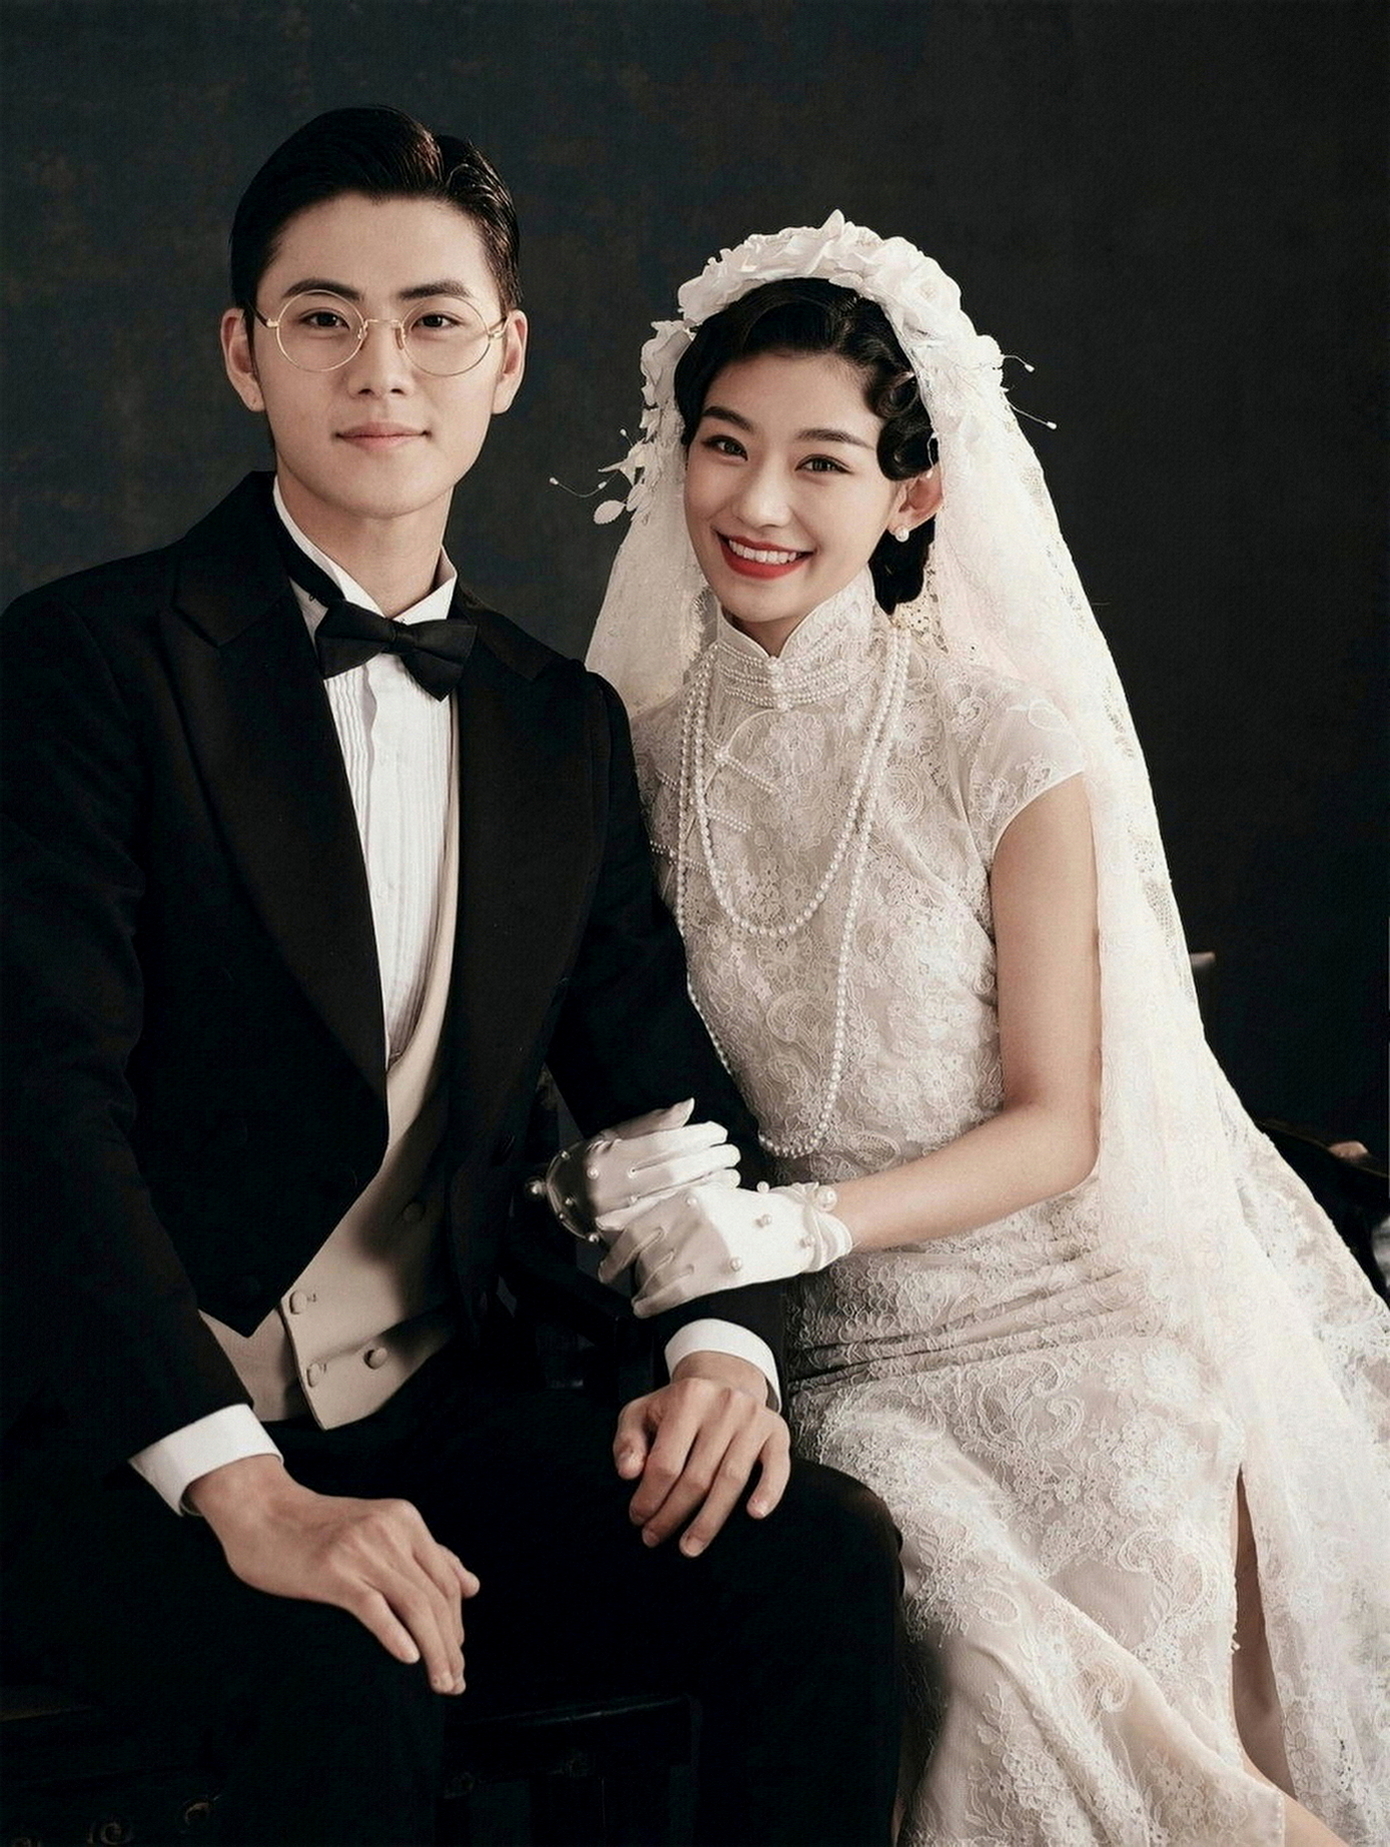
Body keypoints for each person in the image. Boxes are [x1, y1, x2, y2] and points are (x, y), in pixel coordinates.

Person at [0, 122, 908, 1847]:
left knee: (815, 1558)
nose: (381, 369)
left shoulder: (556, 724)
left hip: (423, 1409)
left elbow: (654, 1082)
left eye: (430, 319)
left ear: (506, 356)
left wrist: (717, 1345)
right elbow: (39, 1111)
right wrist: (241, 1485)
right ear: (242, 353)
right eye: (322, 318)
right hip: (109, 1438)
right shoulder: (80, 661)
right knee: (345, 1672)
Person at [582, 217, 1390, 1846]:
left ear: (912, 496)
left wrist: (806, 1215)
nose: (756, 502)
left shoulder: (1001, 743)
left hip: (1074, 1323)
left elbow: (1058, 1122)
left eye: (821, 462)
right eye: (724, 446)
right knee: (978, 1670)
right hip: (833, 1361)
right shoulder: (628, 757)